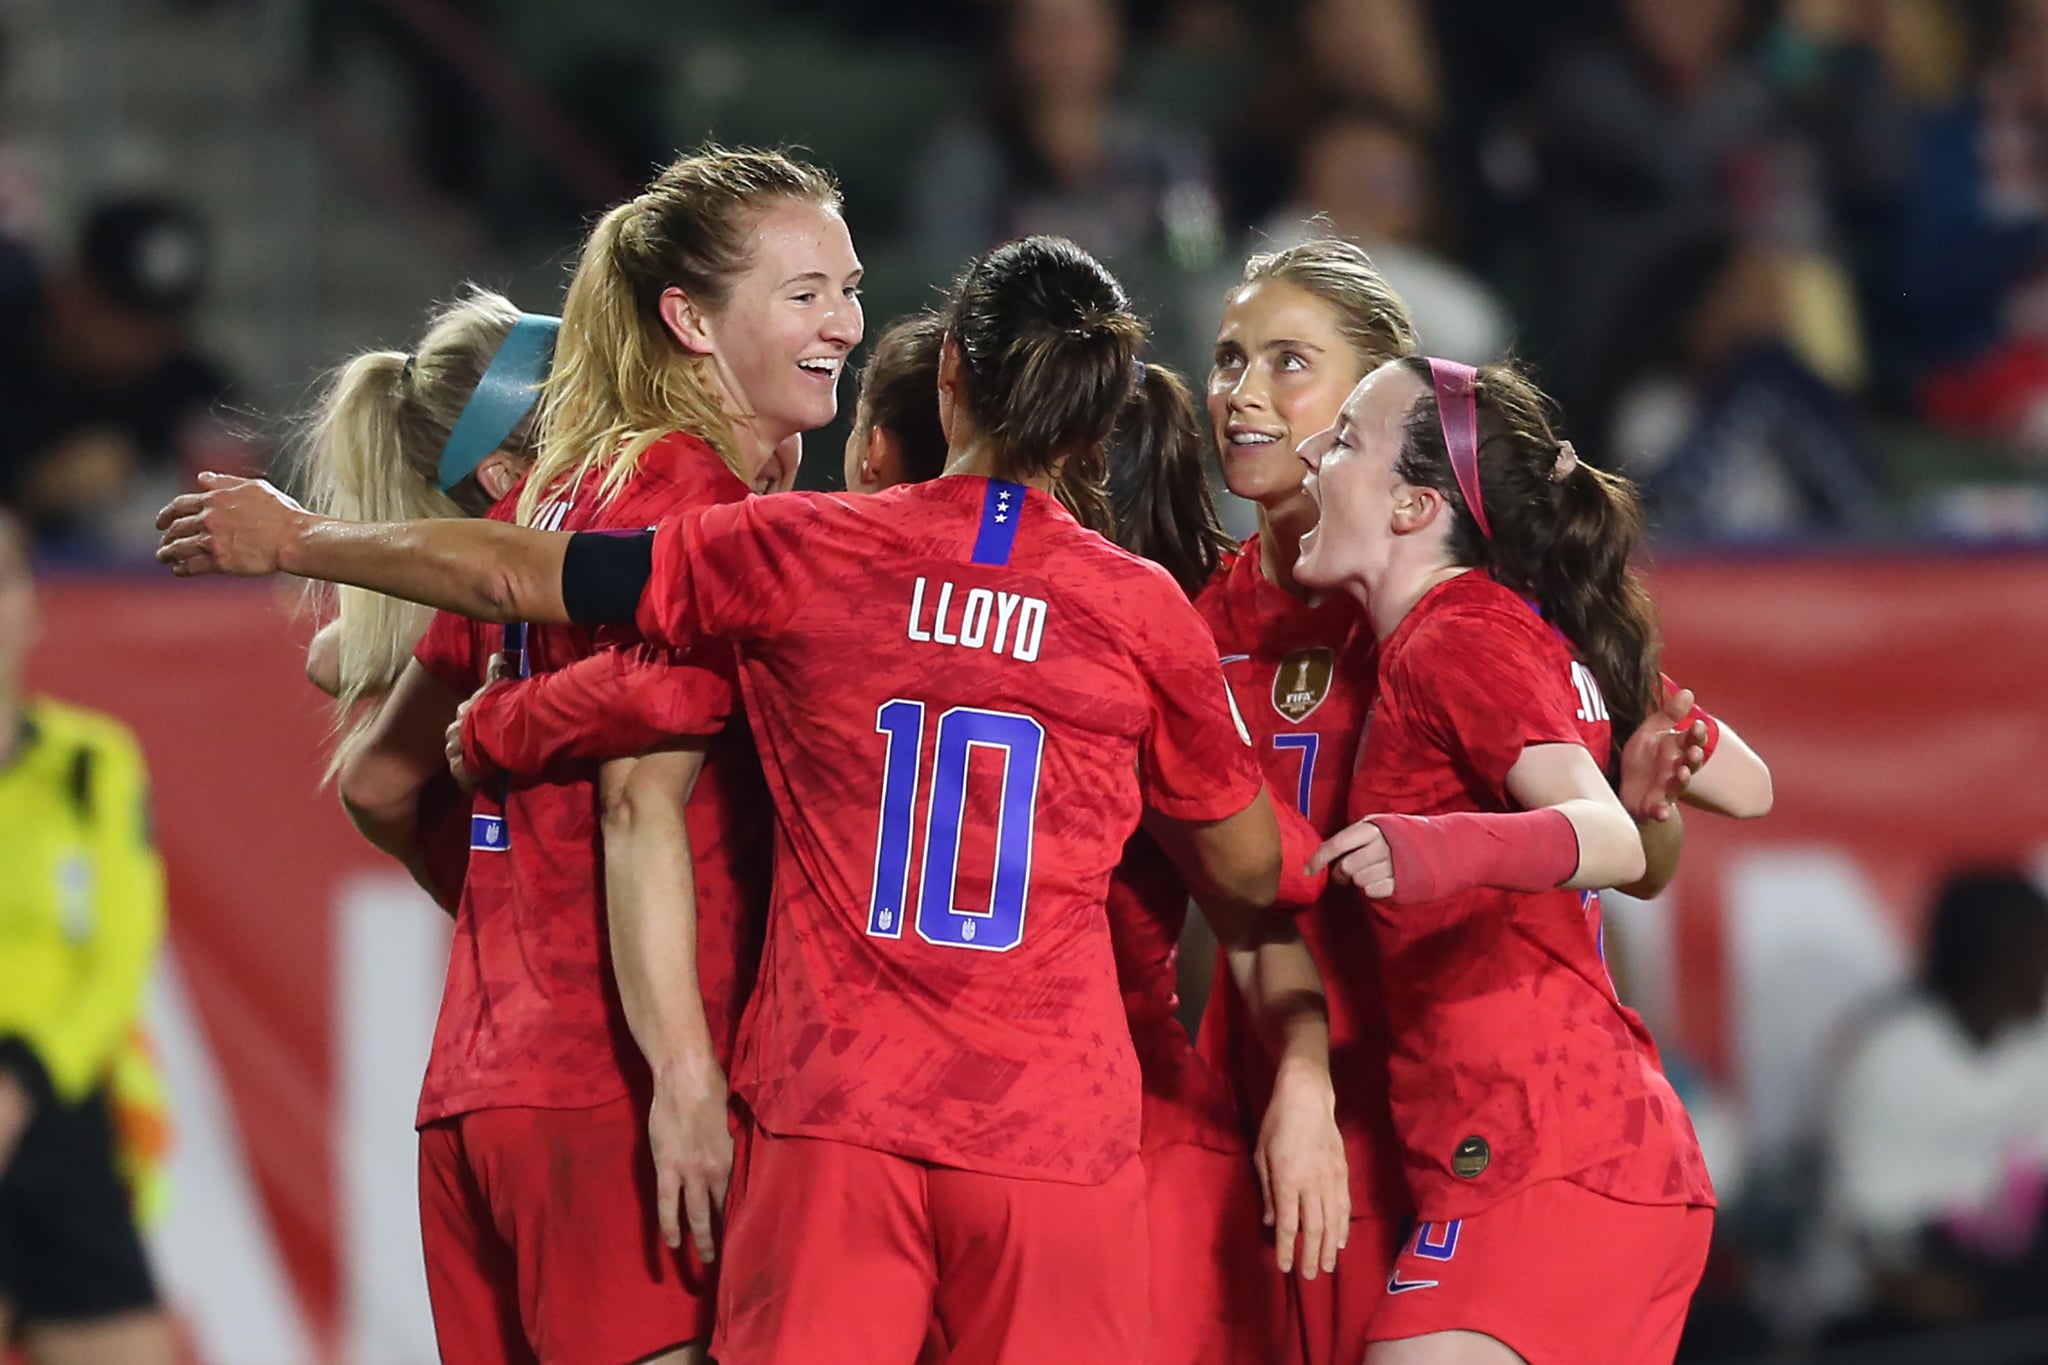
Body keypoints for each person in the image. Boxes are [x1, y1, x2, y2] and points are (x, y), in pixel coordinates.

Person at [155, 233, 1291, 1365]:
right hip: (1044, 1131)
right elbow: (1241, 872)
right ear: (1098, 418)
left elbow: (518, 577)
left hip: (833, 1118)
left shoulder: (801, 551)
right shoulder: (1140, 614)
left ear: (949, 374)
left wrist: (302, 539)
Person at [312, 146, 857, 1365]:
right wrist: (681, 1073)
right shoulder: (692, 507)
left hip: (479, 1086)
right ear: (690, 321)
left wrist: (518, 886)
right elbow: (635, 806)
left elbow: (378, 778)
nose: (843, 326)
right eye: (807, 293)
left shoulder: (548, 519)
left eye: (846, 289)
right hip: (620, 1090)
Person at [1298, 356, 1718, 1365]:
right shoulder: (1511, 630)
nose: (1314, 451)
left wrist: (1431, 844)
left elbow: (1609, 839)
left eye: (1346, 439)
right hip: (1586, 1155)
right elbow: (1749, 787)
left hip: (1543, 1156)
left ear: (1412, 506)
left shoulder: (1455, 638)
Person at [292, 288, 551, 909]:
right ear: (509, 479)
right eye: (596, 415)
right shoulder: (504, 623)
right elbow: (372, 783)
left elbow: (338, 657)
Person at [0, 506, 177, 1365]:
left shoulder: (92, 760)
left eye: (2, 579)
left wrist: (23, 1082)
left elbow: (119, 950)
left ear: (32, 602)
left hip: (59, 1107)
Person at [1816, 869, 2048, 1340]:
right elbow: (1875, 1244)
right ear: (1992, 955)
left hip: (2009, 1283)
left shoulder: (2036, 1044)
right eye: (2037, 949)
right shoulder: (1888, 1054)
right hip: (1887, 1307)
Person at [0, 194, 248, 554]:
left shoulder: (192, 385)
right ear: (70, 291)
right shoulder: (11, 351)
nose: (146, 341)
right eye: (125, 317)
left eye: (163, 322)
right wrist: (32, 491)